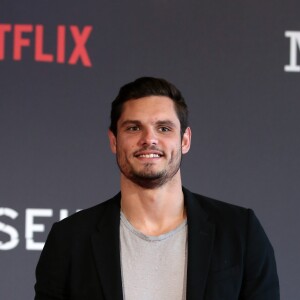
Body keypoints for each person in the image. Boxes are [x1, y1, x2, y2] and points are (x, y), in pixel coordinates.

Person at [34, 77, 280, 300]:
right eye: (133, 128)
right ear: (113, 140)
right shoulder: (70, 239)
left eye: (163, 128)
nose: (149, 139)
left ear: (185, 140)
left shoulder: (240, 231)